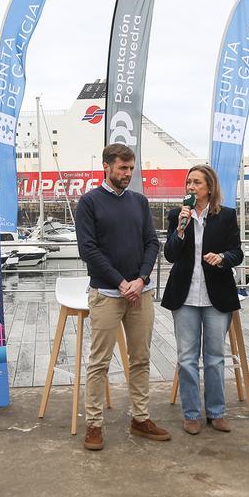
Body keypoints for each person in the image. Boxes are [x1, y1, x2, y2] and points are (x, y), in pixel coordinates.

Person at [75, 143, 169, 450]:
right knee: (99, 361)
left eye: (131, 168)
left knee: (141, 359)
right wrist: (120, 282)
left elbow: (152, 243)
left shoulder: (139, 202)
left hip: (140, 293)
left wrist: (140, 279)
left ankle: (140, 418)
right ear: (107, 166)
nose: (128, 173)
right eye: (122, 168)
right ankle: (94, 424)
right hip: (105, 293)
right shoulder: (89, 202)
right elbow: (88, 249)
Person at [162, 165, 243, 435]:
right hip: (184, 295)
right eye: (188, 182)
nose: (191, 187)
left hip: (216, 295)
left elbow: (237, 253)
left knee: (215, 357)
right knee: (186, 358)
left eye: (196, 182)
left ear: (209, 187)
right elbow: (170, 255)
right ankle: (192, 413)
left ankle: (217, 412)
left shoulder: (227, 216)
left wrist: (222, 258)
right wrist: (181, 229)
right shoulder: (177, 215)